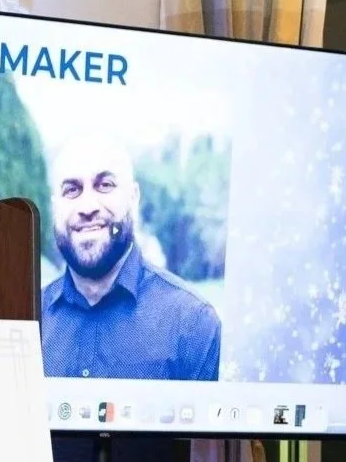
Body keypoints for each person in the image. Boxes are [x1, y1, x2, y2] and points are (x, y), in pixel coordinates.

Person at [40, 134, 221, 381]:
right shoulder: (28, 321)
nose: (87, 206)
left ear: (134, 197)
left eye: (104, 185)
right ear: (55, 206)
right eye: (72, 190)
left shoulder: (192, 325)